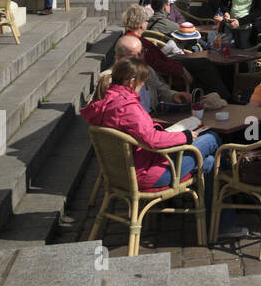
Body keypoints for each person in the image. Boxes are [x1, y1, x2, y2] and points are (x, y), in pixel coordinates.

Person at [82, 57, 246, 239]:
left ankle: (221, 224)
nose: (143, 89)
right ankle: (237, 192)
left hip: (124, 173)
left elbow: (144, 135)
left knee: (208, 163)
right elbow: (152, 140)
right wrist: (184, 136)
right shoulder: (127, 107)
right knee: (212, 138)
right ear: (131, 82)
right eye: (142, 85)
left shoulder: (107, 104)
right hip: (149, 174)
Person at [111, 33, 191, 112]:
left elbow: (160, 89)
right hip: (135, 121)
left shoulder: (147, 69)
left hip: (153, 115)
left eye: (142, 51)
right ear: (119, 58)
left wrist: (173, 96)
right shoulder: (110, 80)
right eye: (135, 55)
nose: (141, 57)